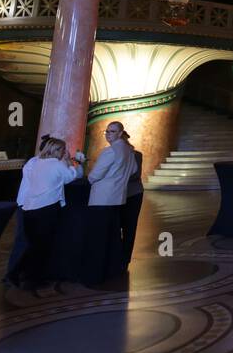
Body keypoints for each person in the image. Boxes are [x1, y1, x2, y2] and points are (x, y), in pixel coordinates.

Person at [12, 135, 81, 289]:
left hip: (29, 208)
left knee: (33, 245)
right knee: (41, 246)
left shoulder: (36, 163)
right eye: (64, 150)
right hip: (46, 208)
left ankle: (20, 274)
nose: (65, 152)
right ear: (58, 150)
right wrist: (70, 163)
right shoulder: (56, 164)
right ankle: (30, 279)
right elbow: (71, 177)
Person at [85, 121, 138, 283]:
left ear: (121, 133)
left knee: (99, 238)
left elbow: (95, 175)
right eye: (106, 131)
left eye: (112, 131)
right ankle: (113, 269)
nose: (108, 134)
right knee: (112, 236)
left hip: (102, 198)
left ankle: (96, 273)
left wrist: (91, 178)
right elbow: (134, 170)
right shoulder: (129, 151)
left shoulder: (110, 151)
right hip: (117, 198)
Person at [120, 148, 145, 269]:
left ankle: (125, 258)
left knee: (129, 226)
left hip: (132, 194)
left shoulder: (136, 155)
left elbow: (135, 174)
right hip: (116, 194)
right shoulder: (110, 152)